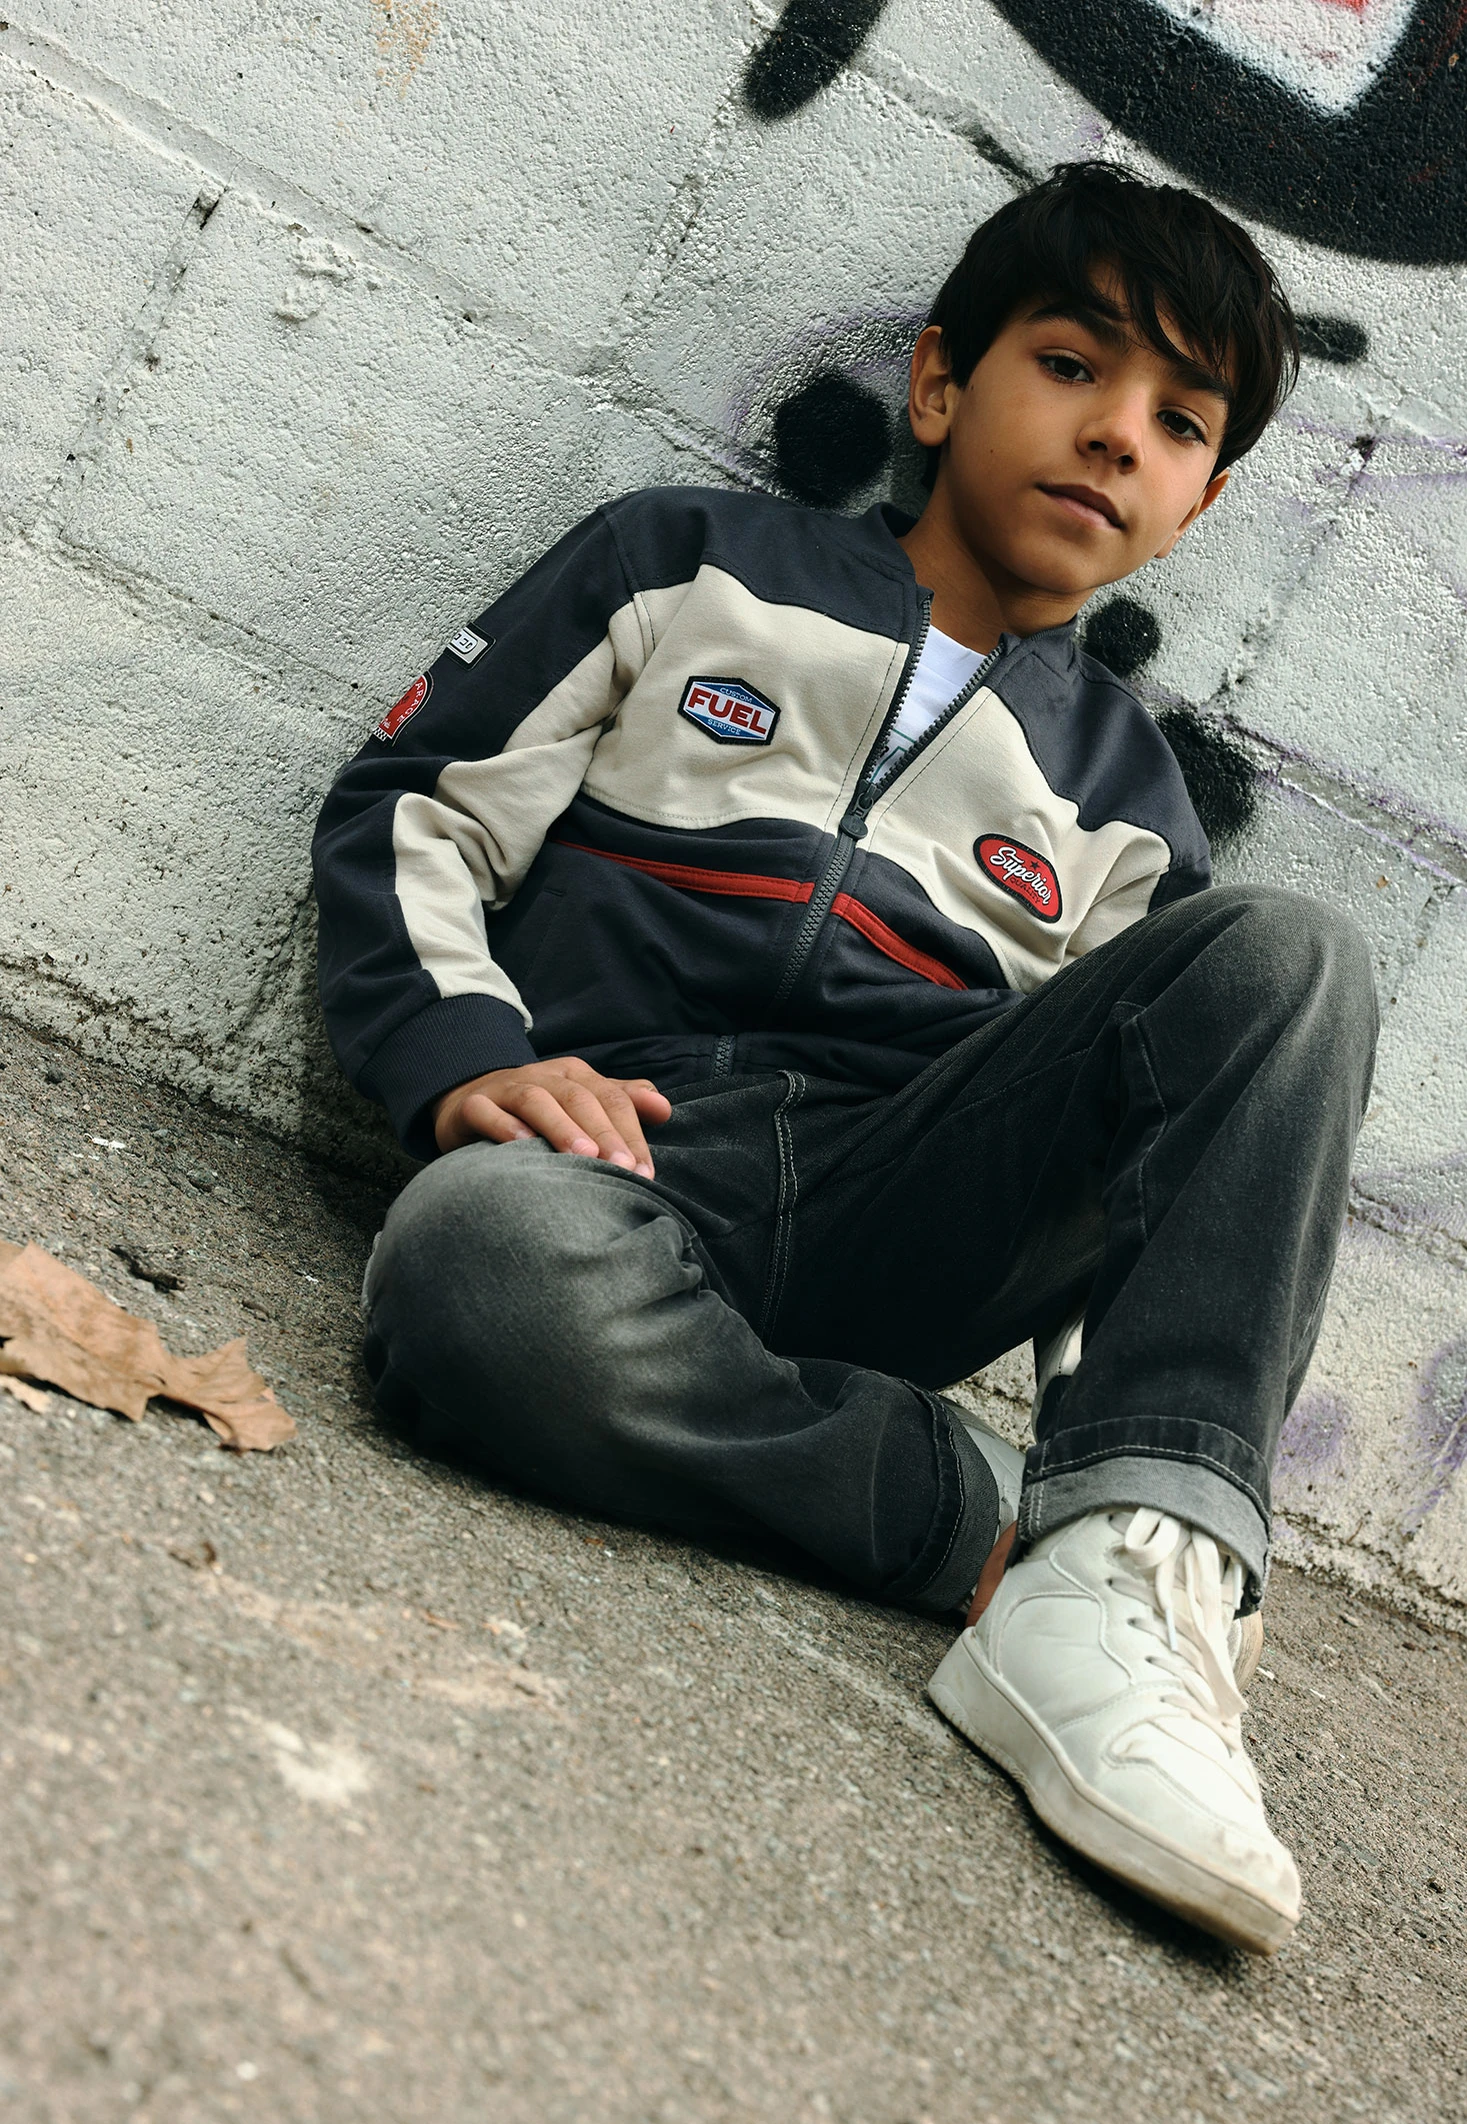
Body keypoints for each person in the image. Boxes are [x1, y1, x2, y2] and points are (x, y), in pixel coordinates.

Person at [312, 162, 1377, 1953]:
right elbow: (415, 808)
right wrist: (458, 1049)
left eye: (1178, 422)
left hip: (904, 1206)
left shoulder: (1128, 804)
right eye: (1071, 366)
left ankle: (1125, 1572)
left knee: (1289, 957)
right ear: (940, 384)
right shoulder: (685, 563)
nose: (1115, 435)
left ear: (1195, 506)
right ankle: (969, 1521)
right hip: (619, 1168)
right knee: (470, 1263)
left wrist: (1108, 1426)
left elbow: (1140, 1172)